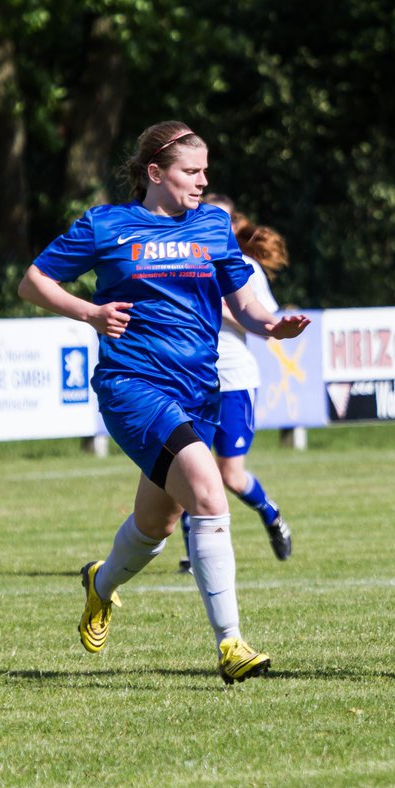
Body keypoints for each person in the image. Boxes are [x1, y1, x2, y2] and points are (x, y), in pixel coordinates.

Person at [17, 120, 310, 684]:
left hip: (199, 390)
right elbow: (33, 282)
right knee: (207, 486)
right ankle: (231, 645)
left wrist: (271, 325)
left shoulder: (214, 225)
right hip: (132, 385)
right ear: (155, 173)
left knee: (158, 524)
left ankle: (100, 585)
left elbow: (244, 303)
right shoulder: (107, 224)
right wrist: (91, 313)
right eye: (191, 171)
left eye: (205, 171)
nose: (202, 182)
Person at [177, 202, 294, 573]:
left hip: (233, 381)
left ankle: (270, 513)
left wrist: (222, 309)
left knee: (230, 475)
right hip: (188, 380)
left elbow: (261, 325)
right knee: (182, 469)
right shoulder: (179, 261)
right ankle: (193, 555)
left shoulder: (245, 268)